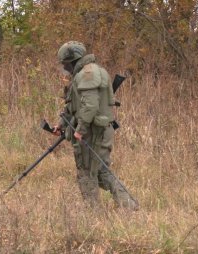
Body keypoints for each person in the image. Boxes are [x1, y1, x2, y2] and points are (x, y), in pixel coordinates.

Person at [52, 41, 139, 210]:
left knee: (87, 172)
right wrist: (62, 124)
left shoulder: (88, 74)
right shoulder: (85, 73)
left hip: (92, 133)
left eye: (65, 64)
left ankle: (93, 214)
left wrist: (80, 129)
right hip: (97, 130)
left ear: (72, 60)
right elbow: (75, 105)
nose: (65, 68)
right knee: (100, 171)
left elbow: (90, 105)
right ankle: (128, 205)